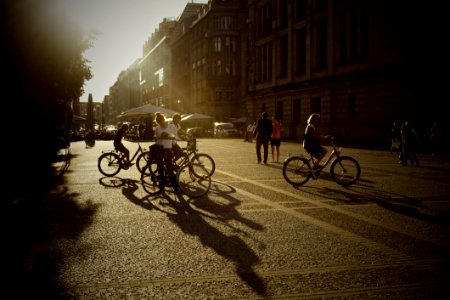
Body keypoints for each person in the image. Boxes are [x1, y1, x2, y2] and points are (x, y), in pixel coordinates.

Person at [154, 112, 179, 191]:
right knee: (160, 168)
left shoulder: (171, 126)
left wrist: (168, 137)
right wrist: (158, 137)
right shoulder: (157, 128)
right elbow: (155, 139)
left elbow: (175, 137)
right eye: (159, 123)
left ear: (163, 120)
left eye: (161, 122)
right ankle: (161, 187)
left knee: (169, 168)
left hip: (168, 149)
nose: (160, 124)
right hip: (159, 148)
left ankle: (175, 188)